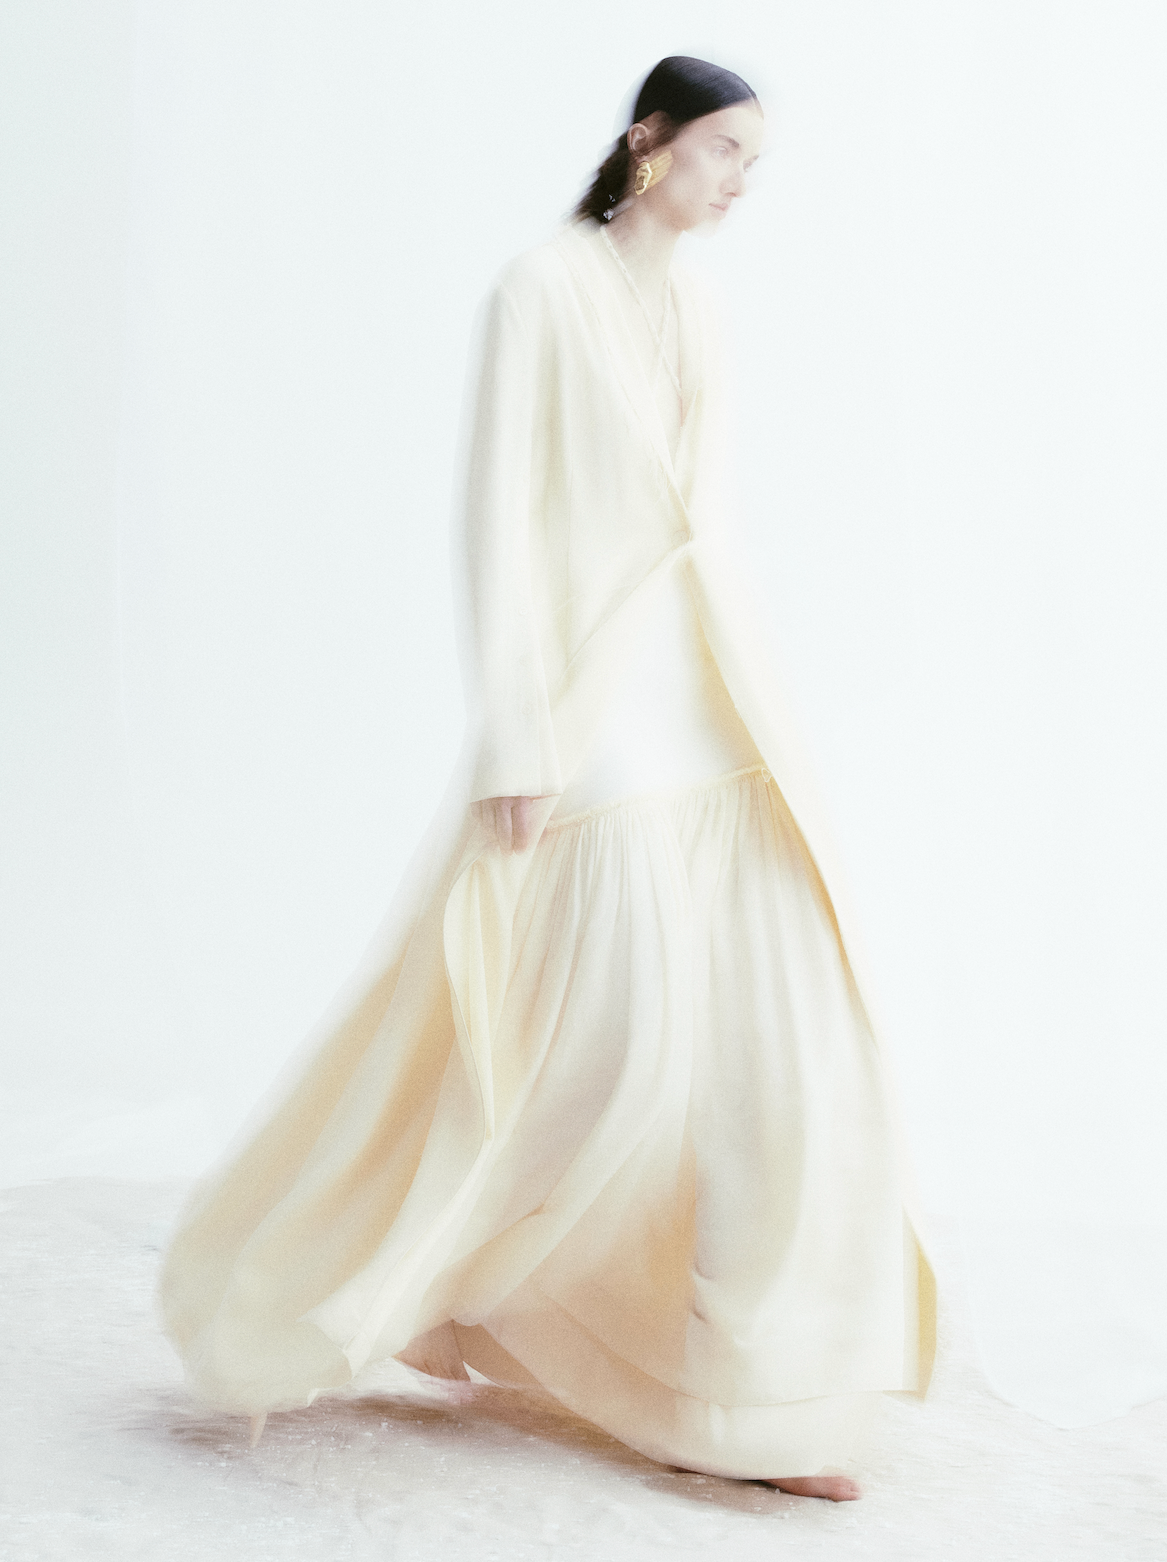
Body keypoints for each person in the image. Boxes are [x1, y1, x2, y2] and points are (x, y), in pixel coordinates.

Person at [160, 55, 936, 1503]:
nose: (741, 182)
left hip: (718, 698)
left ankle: (752, 1394)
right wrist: (519, 734)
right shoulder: (538, 289)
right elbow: (499, 520)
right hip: (593, 707)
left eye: (753, 160)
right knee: (599, 1042)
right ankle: (440, 1286)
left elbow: (706, 517)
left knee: (786, 1041)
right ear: (649, 142)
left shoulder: (702, 303)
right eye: (724, 150)